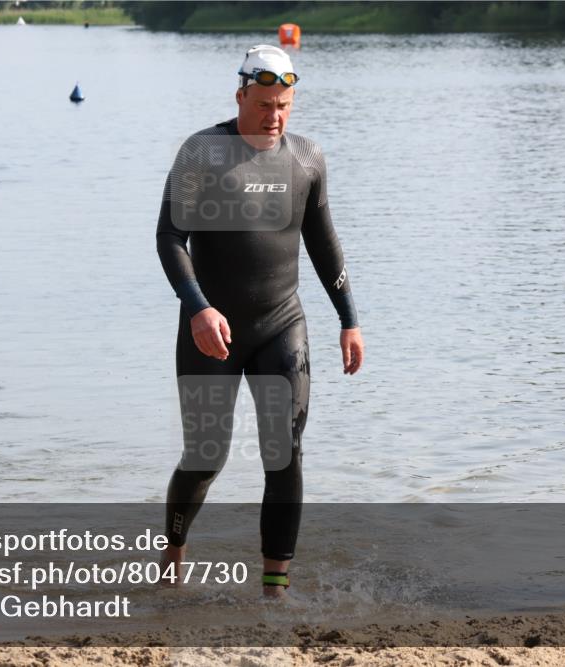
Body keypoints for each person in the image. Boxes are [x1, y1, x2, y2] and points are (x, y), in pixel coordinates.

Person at [155, 44, 365, 597]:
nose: (276, 115)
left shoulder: (307, 159)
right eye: (266, 102)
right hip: (211, 329)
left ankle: (275, 590)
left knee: (285, 453)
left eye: (285, 105)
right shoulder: (203, 153)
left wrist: (349, 318)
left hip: (281, 325)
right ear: (242, 95)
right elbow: (169, 239)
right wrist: (198, 307)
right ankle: (173, 550)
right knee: (205, 458)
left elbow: (324, 245)